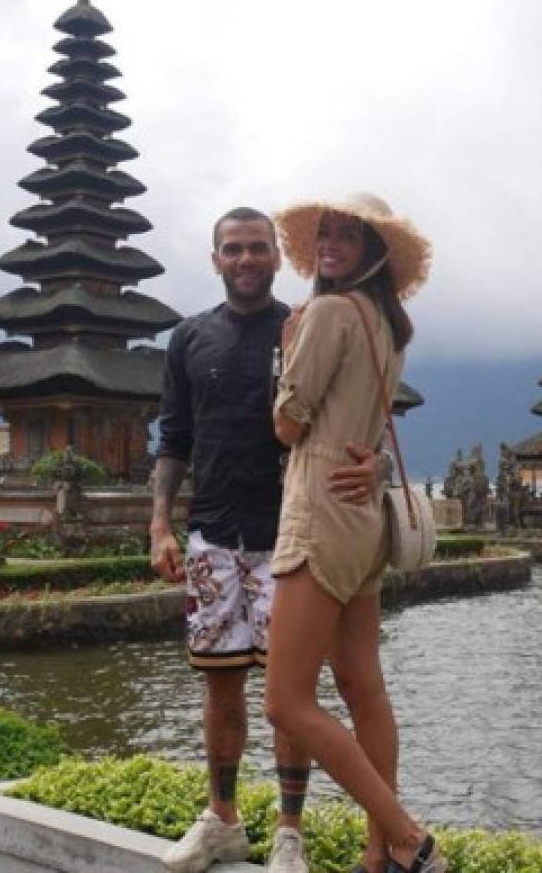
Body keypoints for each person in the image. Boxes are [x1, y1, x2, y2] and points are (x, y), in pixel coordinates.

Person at [150, 206, 385, 873]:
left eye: (258, 248)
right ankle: (222, 818)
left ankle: (289, 832)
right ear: (215, 259)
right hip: (212, 533)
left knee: (292, 698)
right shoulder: (190, 337)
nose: (246, 259)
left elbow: (359, 414)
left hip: (291, 537)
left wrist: (379, 465)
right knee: (219, 687)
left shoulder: (308, 323)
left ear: (278, 258)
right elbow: (174, 437)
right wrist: (160, 523)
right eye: (233, 249)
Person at [265, 193, 446, 873]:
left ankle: (406, 838)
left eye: (347, 235)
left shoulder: (330, 313)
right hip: (364, 518)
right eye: (326, 233)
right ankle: (376, 857)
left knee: (285, 701)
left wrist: (288, 351)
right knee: (361, 686)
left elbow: (288, 425)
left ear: (373, 251)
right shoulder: (385, 327)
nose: (330, 244)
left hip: (319, 511)